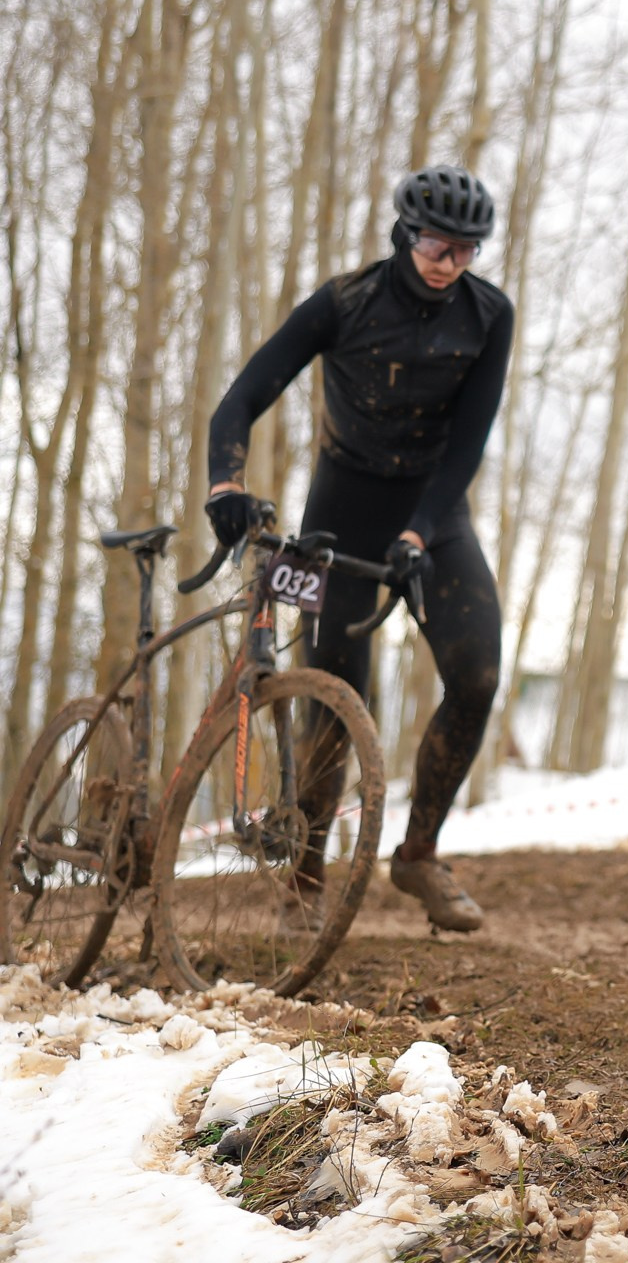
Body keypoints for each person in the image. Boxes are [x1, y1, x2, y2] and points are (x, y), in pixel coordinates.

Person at [204, 166, 514, 934]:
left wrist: (419, 531)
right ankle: (305, 878)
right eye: (436, 245)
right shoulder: (345, 302)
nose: (448, 263)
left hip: (432, 515)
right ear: (406, 235)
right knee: (336, 700)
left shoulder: (489, 316)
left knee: (477, 674)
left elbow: (468, 445)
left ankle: (418, 855)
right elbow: (242, 398)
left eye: (465, 250)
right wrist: (225, 484)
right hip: (339, 516)